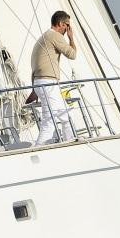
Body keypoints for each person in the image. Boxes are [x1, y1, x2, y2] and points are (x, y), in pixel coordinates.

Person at [31, 10, 78, 145]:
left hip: (42, 83)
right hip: (48, 83)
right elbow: (72, 54)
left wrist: (35, 90)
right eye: (67, 25)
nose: (68, 28)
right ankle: (37, 151)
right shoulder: (55, 36)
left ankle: (70, 142)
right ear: (60, 24)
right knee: (49, 121)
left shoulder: (43, 37)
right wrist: (71, 38)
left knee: (66, 116)